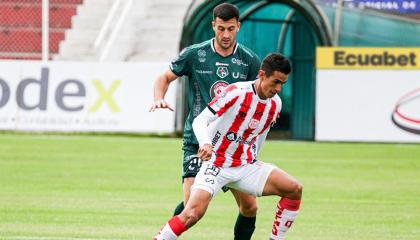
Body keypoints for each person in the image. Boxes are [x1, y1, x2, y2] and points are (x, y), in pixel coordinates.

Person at [153, 53, 303, 240]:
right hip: (217, 164)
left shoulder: (276, 105)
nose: (279, 88)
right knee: (192, 213)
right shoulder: (236, 92)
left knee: (293, 189)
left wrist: (253, 159)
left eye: (283, 83)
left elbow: (260, 136)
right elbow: (200, 121)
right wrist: (206, 143)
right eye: (276, 82)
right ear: (262, 74)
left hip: (244, 166)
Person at [149, 3, 262, 239]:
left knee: (249, 207)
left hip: (231, 146)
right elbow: (164, 77)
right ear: (213, 25)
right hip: (197, 141)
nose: (226, 35)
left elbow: (258, 97)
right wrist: (159, 98)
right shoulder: (195, 54)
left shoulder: (250, 60)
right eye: (221, 29)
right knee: (191, 206)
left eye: (231, 29)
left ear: (238, 26)